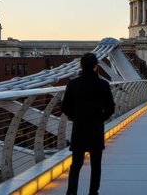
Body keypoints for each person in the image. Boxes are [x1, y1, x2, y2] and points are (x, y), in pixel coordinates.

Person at [62, 53, 115, 195]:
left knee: (76, 165)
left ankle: (72, 192)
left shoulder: (73, 84)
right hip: (96, 129)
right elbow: (111, 108)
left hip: (79, 129)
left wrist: (76, 117)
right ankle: (93, 192)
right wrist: (100, 119)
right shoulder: (103, 84)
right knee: (95, 165)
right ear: (96, 66)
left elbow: (65, 107)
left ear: (81, 65)